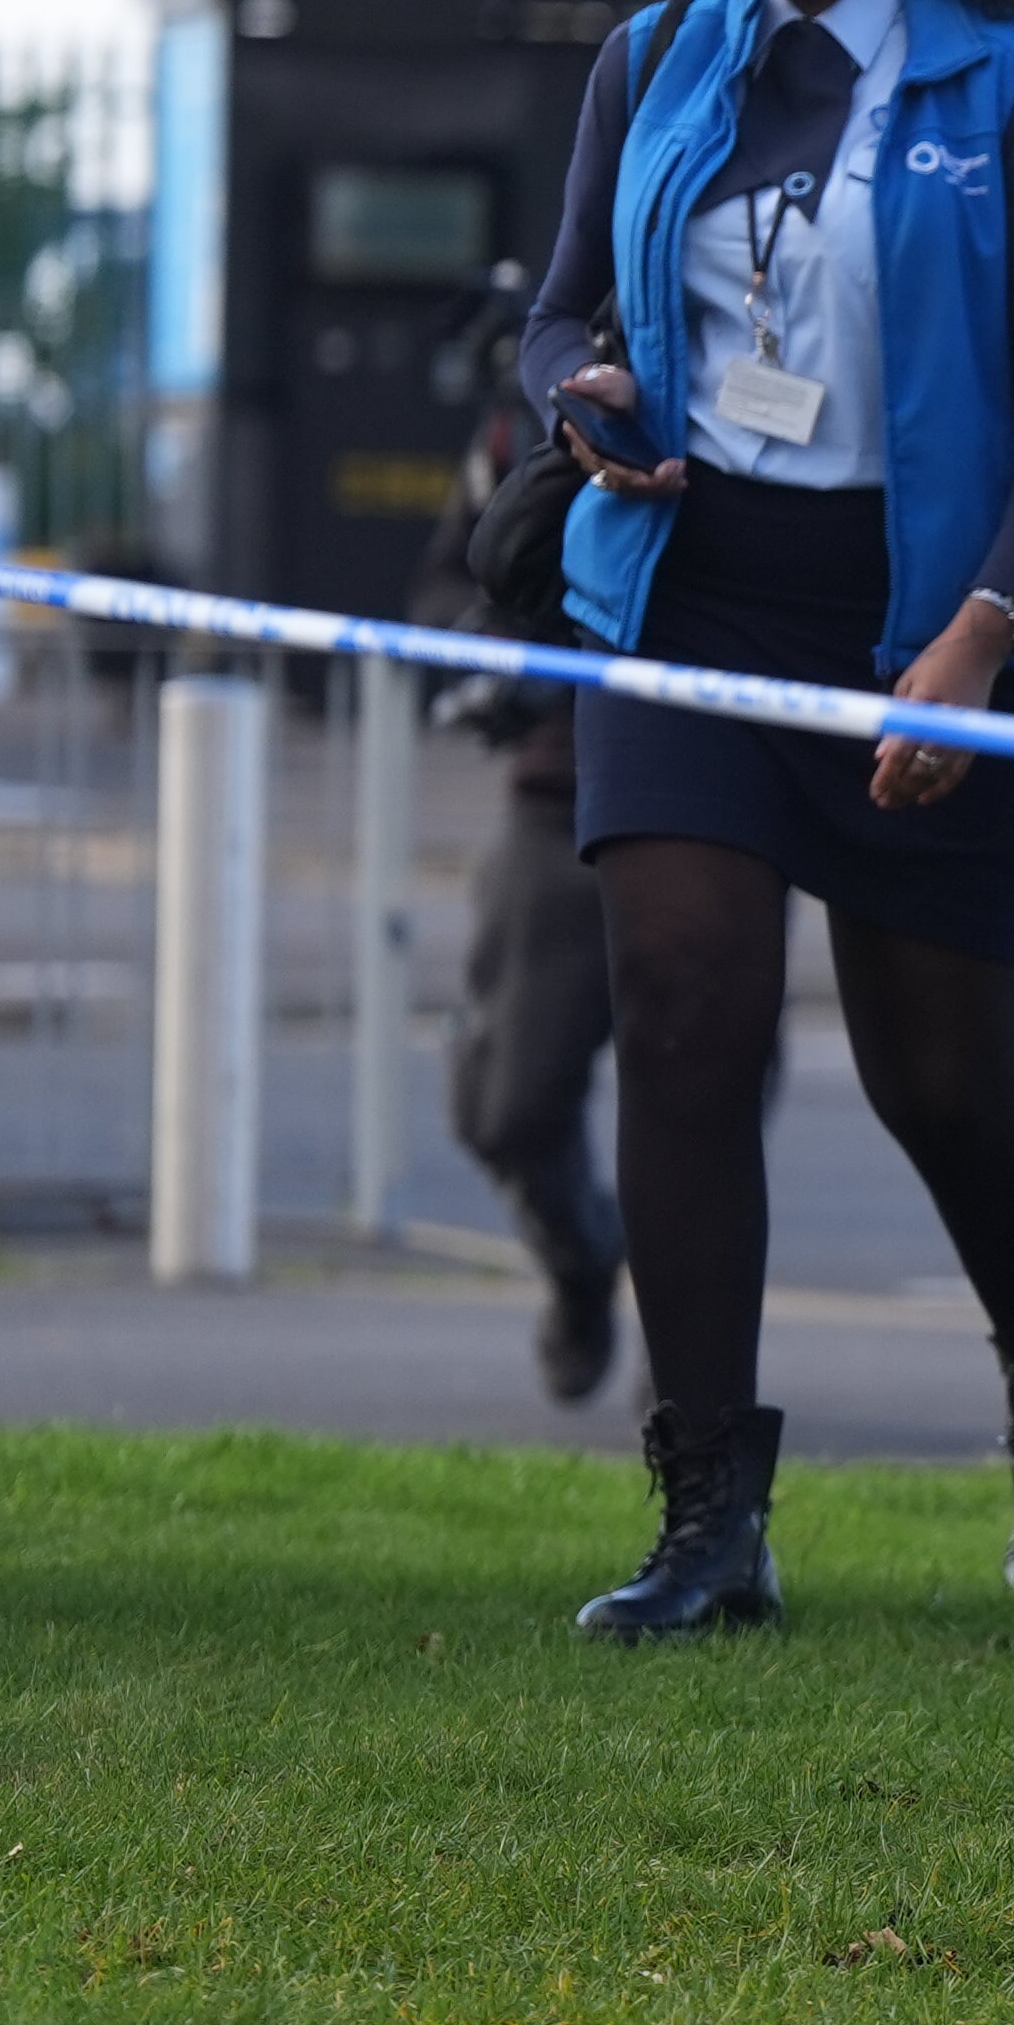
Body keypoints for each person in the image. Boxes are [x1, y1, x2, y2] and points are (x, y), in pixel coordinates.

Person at [524, 0, 1014, 1639]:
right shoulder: (655, 60)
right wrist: (584, 394)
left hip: (930, 635)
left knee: (938, 1077)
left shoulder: (1007, 77)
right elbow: (549, 324)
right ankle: (711, 1515)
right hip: (692, 608)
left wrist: (980, 633)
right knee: (685, 1006)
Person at [413, 259, 622, 1401]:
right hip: (551, 802)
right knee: (501, 1104)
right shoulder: (515, 428)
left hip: (706, 787)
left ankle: (699, 1391)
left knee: (697, 1101)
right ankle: (582, 1265)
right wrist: (503, 658)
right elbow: (441, 586)